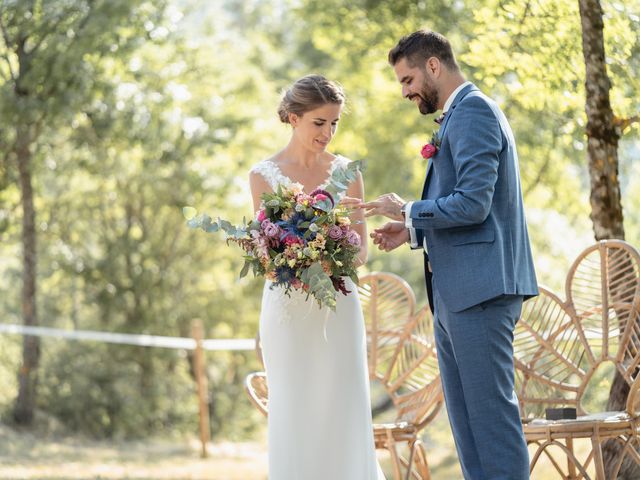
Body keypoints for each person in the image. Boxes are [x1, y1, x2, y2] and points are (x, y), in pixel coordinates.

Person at [361, 30, 538, 480]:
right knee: (468, 428)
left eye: (407, 79)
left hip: (480, 293)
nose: (405, 92)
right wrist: (412, 229)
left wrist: (407, 208)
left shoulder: (474, 111)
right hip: (456, 294)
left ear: (433, 66)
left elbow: (474, 204)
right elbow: (465, 208)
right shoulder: (457, 114)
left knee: (492, 426)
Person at [249, 74, 385, 480]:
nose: (328, 133)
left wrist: (330, 260)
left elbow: (361, 247)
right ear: (293, 117)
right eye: (319, 123)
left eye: (335, 123)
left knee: (343, 405)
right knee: (294, 409)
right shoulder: (263, 175)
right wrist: (291, 260)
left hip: (338, 304)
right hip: (287, 310)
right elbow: (264, 247)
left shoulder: (347, 173)